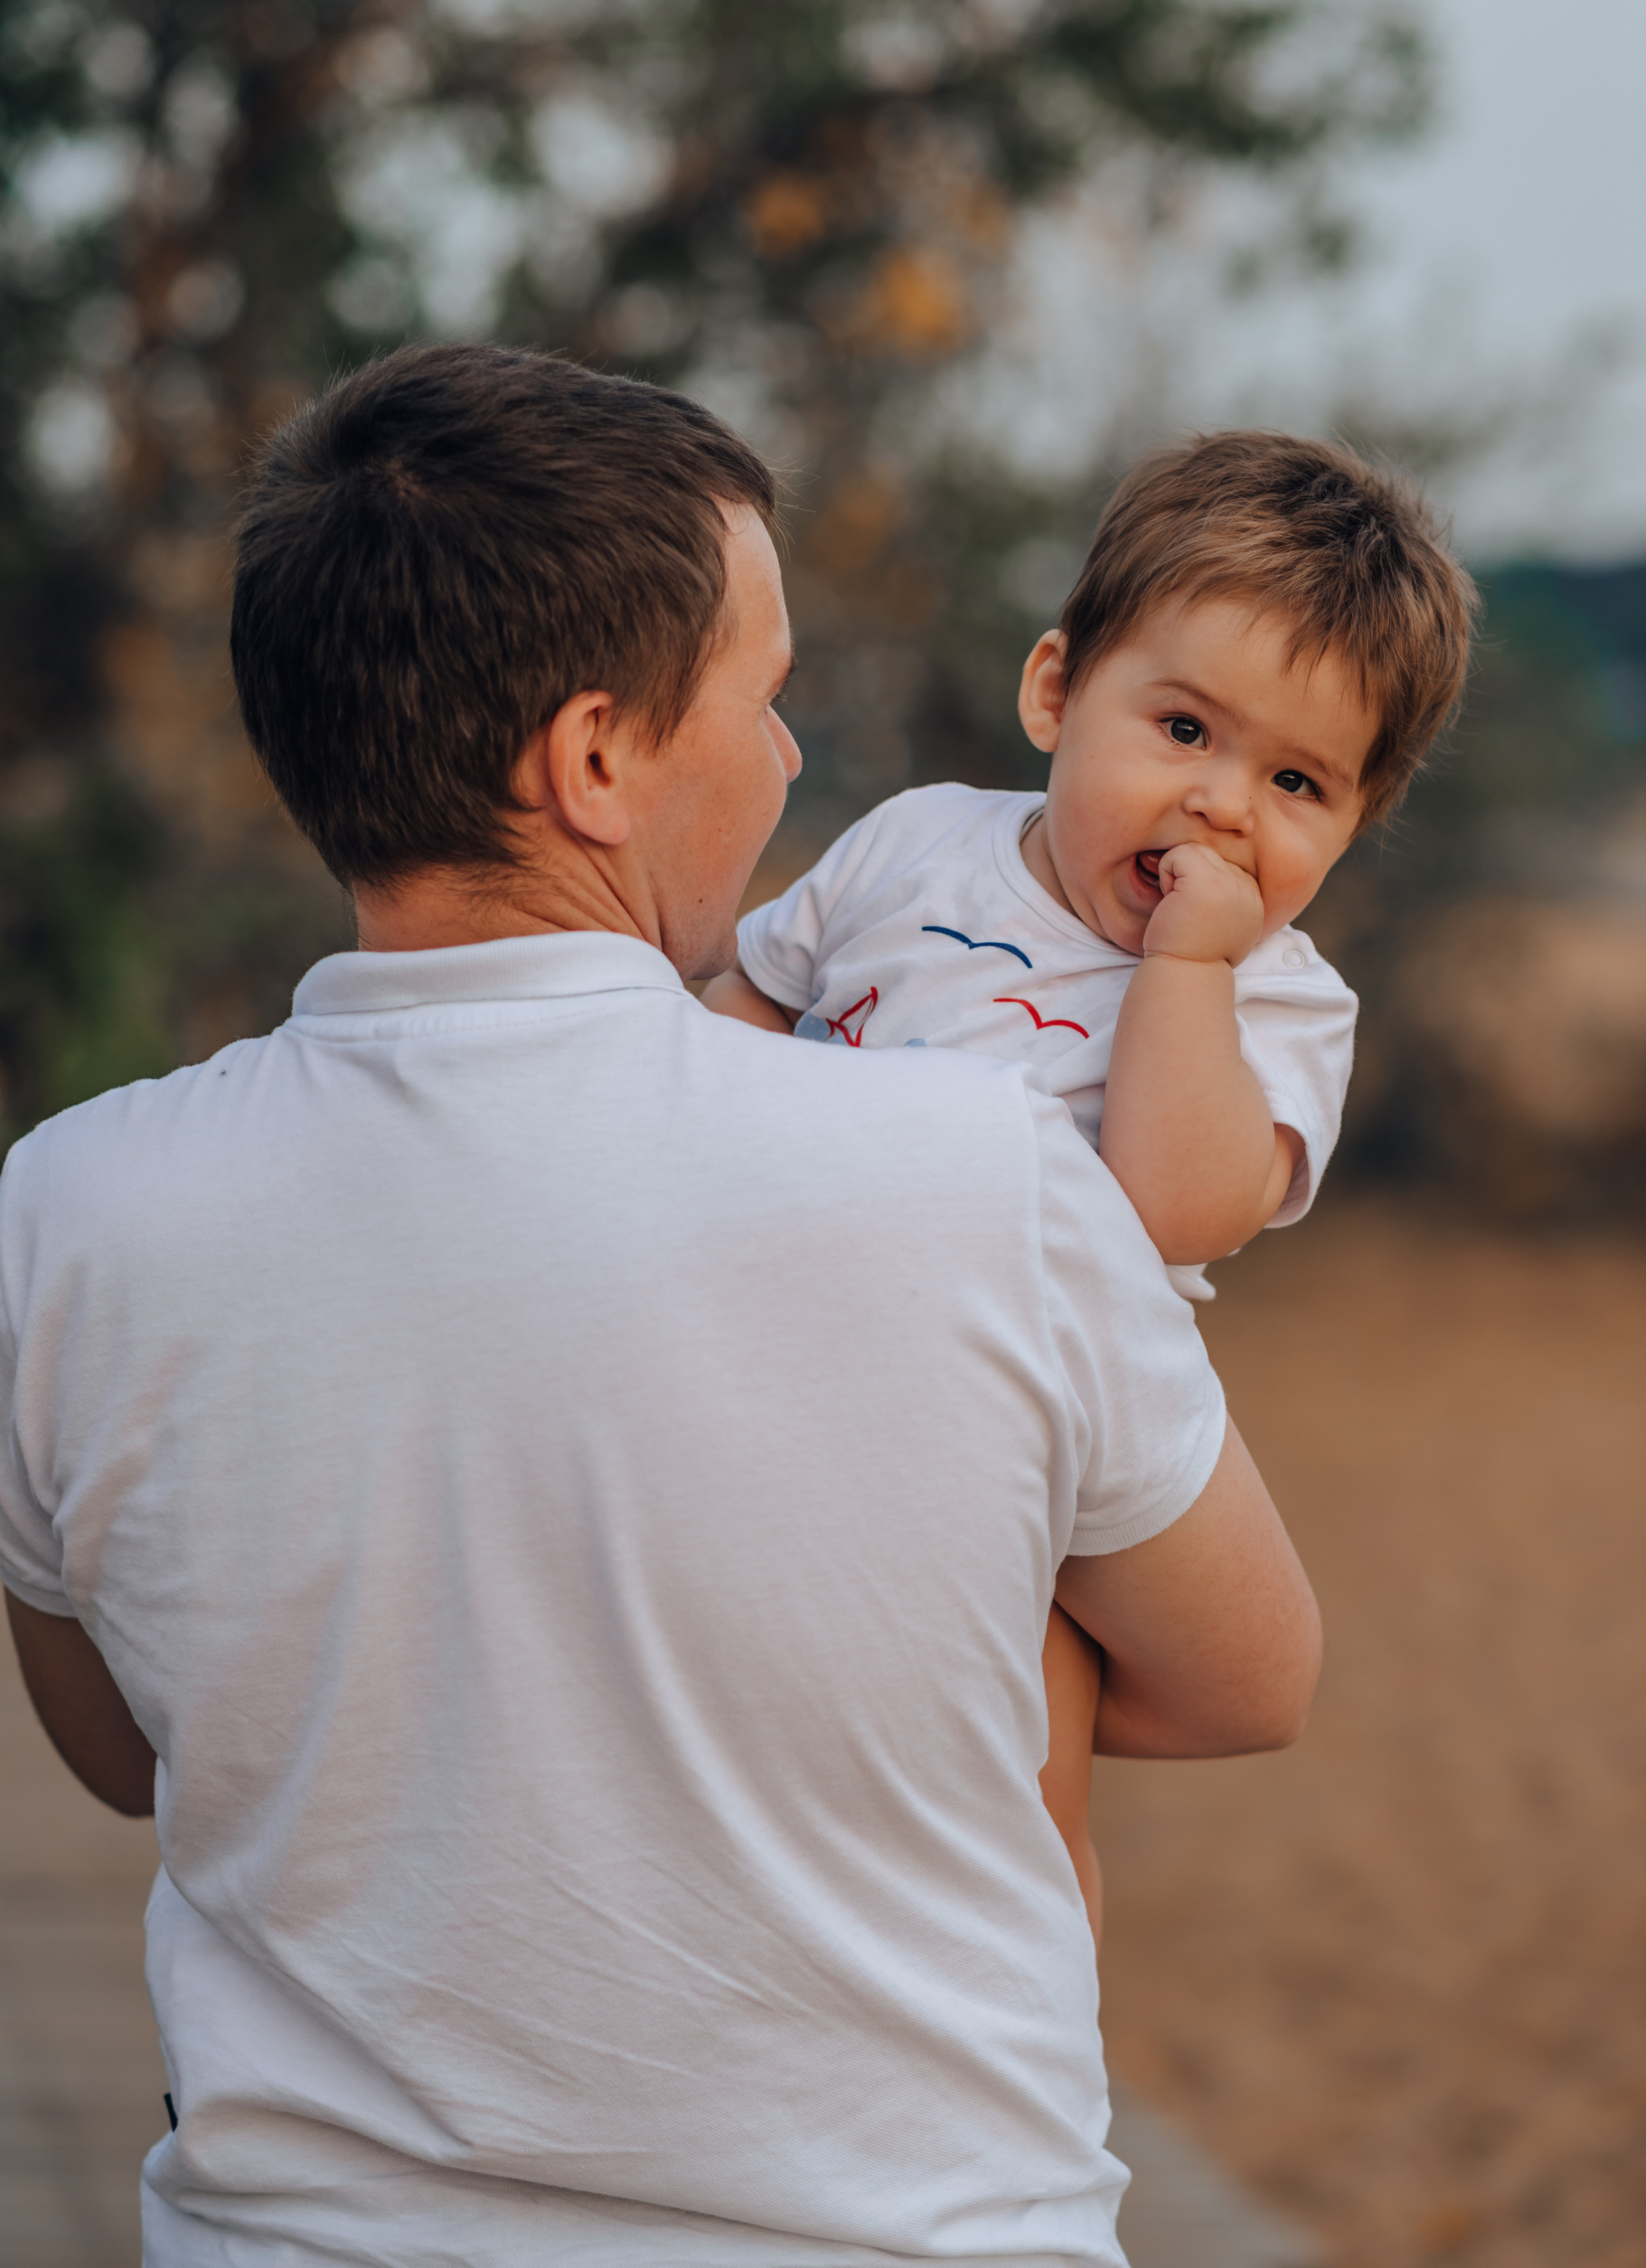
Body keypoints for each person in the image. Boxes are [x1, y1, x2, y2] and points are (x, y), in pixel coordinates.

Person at [0, 345, 1321, 2268]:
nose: (785, 762)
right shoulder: (986, 1174)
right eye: (763, 699)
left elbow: (125, 1748)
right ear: (597, 759)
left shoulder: (64, 1214)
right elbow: (1248, 1677)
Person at [704, 432, 1476, 1947]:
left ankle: (1021, 2014)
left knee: (1029, 1767)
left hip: (1028, 1449)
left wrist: (1188, 969)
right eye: (1183, 728)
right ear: (1056, 693)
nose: (1224, 806)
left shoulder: (1276, 999)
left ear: (1353, 823)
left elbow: (1174, 1209)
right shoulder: (915, 842)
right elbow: (746, 1005)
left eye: (1297, 783)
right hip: (786, 1358)